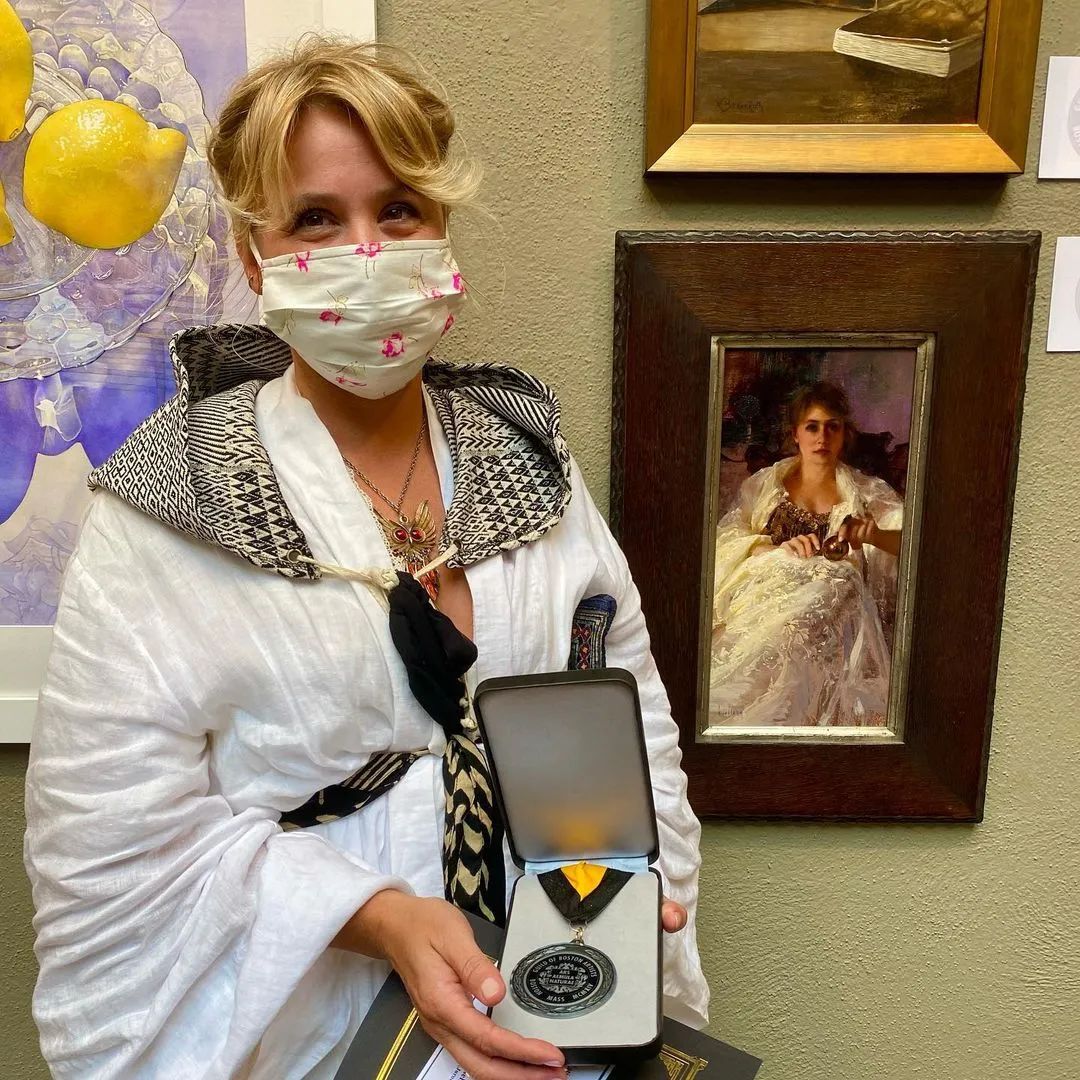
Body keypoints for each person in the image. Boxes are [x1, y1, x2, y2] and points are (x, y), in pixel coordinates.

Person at [22, 38, 707, 1080]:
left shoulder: (530, 466)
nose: (368, 251)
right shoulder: (171, 504)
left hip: (558, 1015)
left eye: (399, 210)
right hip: (308, 1041)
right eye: (315, 219)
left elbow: (635, 726)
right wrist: (375, 914)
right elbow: (106, 844)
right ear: (254, 256)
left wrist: (629, 890)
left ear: (442, 227)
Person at [708, 381, 904, 728]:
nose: (822, 438)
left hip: (829, 616)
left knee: (838, 578)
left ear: (844, 434)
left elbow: (913, 544)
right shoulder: (765, 485)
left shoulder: (866, 492)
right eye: (812, 427)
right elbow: (726, 540)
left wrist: (875, 535)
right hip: (763, 600)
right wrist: (771, 550)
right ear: (796, 434)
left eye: (832, 427)